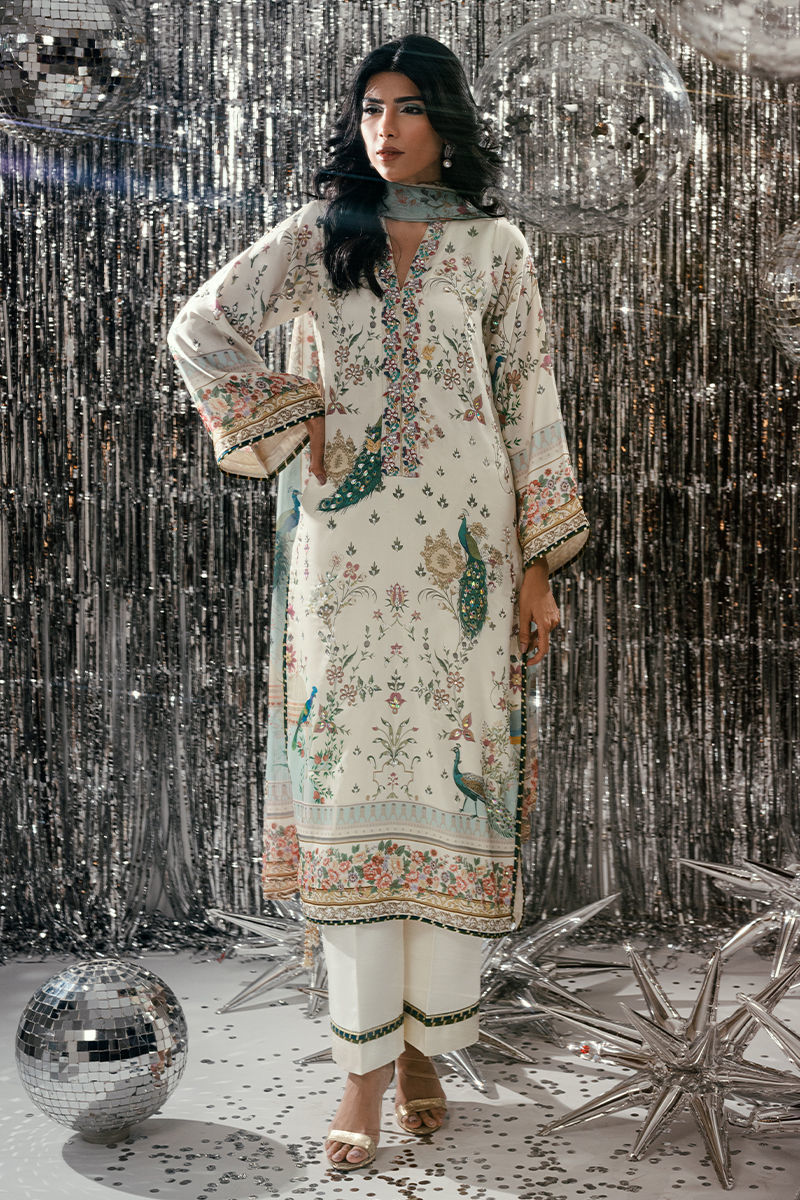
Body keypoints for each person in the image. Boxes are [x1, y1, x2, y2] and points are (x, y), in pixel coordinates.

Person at [168, 33, 589, 1172]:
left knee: (452, 789)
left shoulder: (495, 247)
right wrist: (289, 404)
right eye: (369, 108)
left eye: (406, 107)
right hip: (345, 566)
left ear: (445, 120)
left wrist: (540, 565)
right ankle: (360, 1068)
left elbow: (529, 399)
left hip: (468, 565)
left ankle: (423, 1051)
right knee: (353, 795)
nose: (384, 128)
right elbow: (200, 326)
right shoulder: (322, 235)